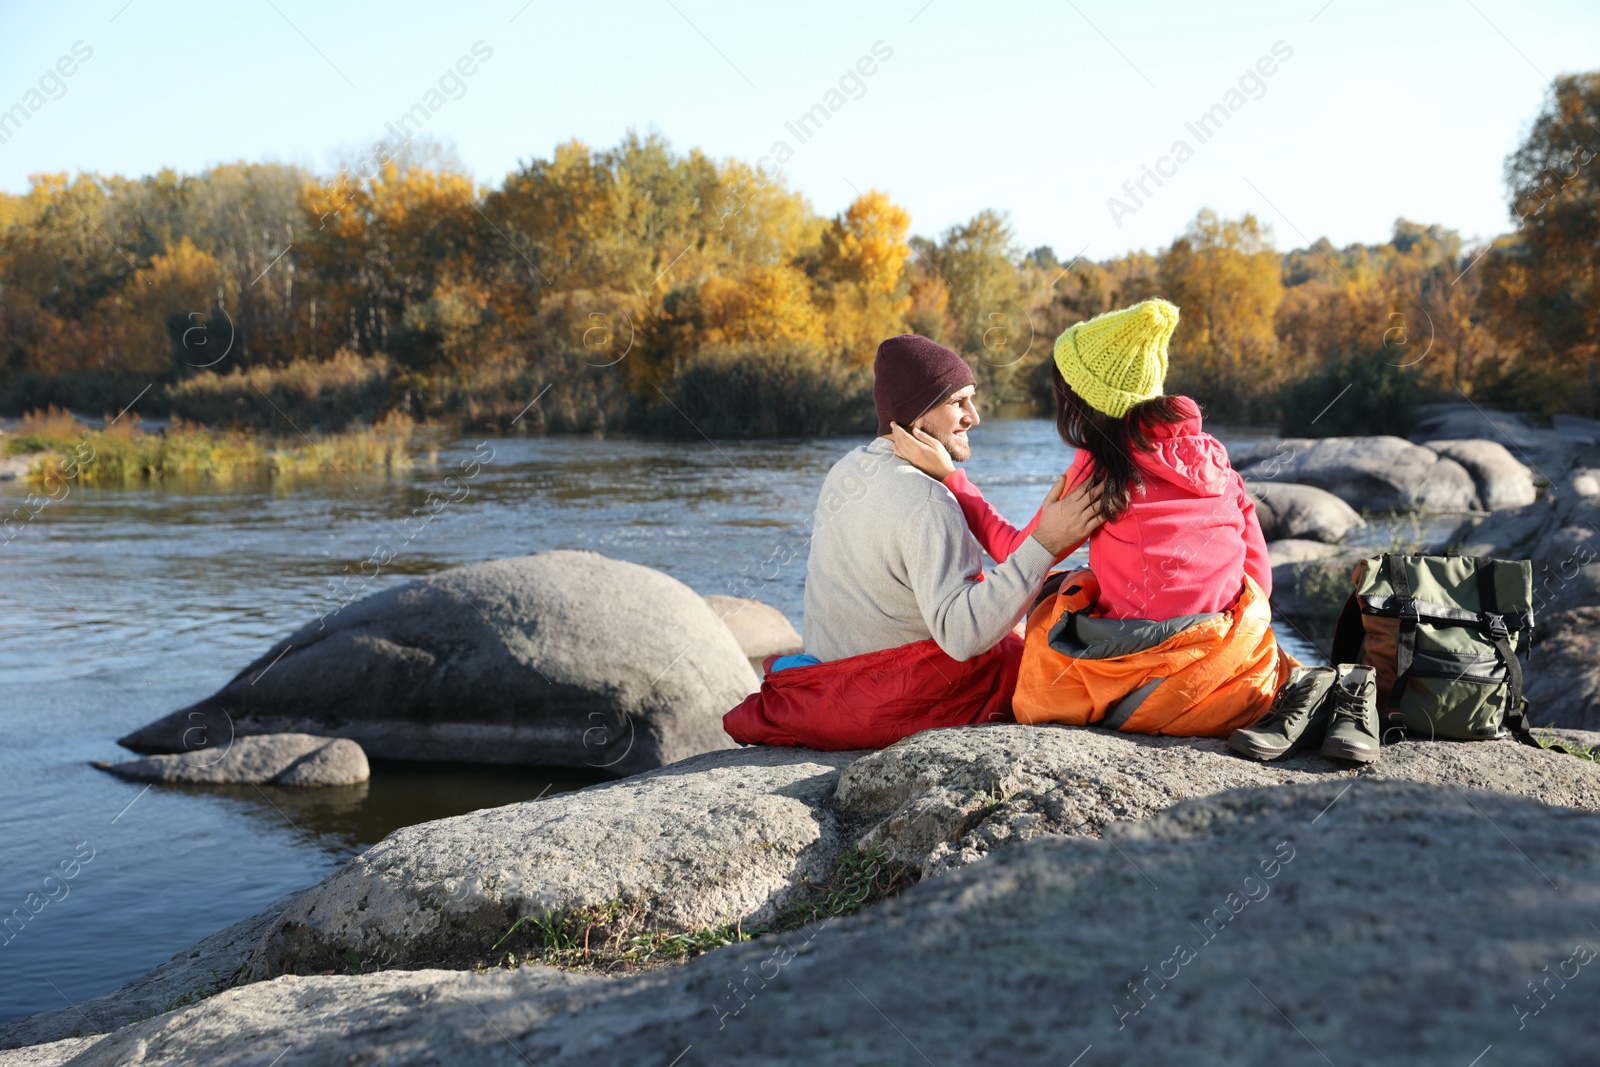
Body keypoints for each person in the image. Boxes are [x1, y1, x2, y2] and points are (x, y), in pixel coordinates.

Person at [892, 299, 1291, 737]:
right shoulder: (1215, 459)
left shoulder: (1099, 468)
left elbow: (1016, 550)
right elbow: (1260, 583)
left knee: (1057, 591)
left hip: (1144, 689)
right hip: (1226, 677)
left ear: (1084, 398)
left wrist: (953, 479)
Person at [722, 333, 1104, 750]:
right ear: (918, 412)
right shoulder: (927, 499)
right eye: (958, 401)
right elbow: (963, 637)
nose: (973, 416)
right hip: (905, 702)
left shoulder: (845, 470)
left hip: (831, 688)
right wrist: (1046, 544)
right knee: (1061, 645)